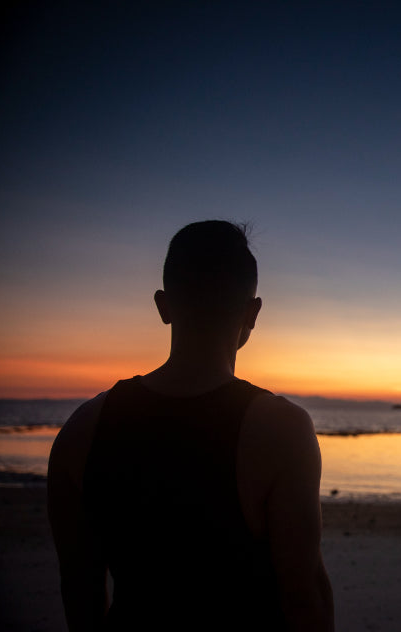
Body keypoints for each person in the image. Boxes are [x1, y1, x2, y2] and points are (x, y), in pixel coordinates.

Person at [48, 220, 334, 631]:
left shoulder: (82, 429)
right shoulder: (282, 430)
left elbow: (79, 590)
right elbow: (304, 597)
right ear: (253, 313)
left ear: (163, 306)